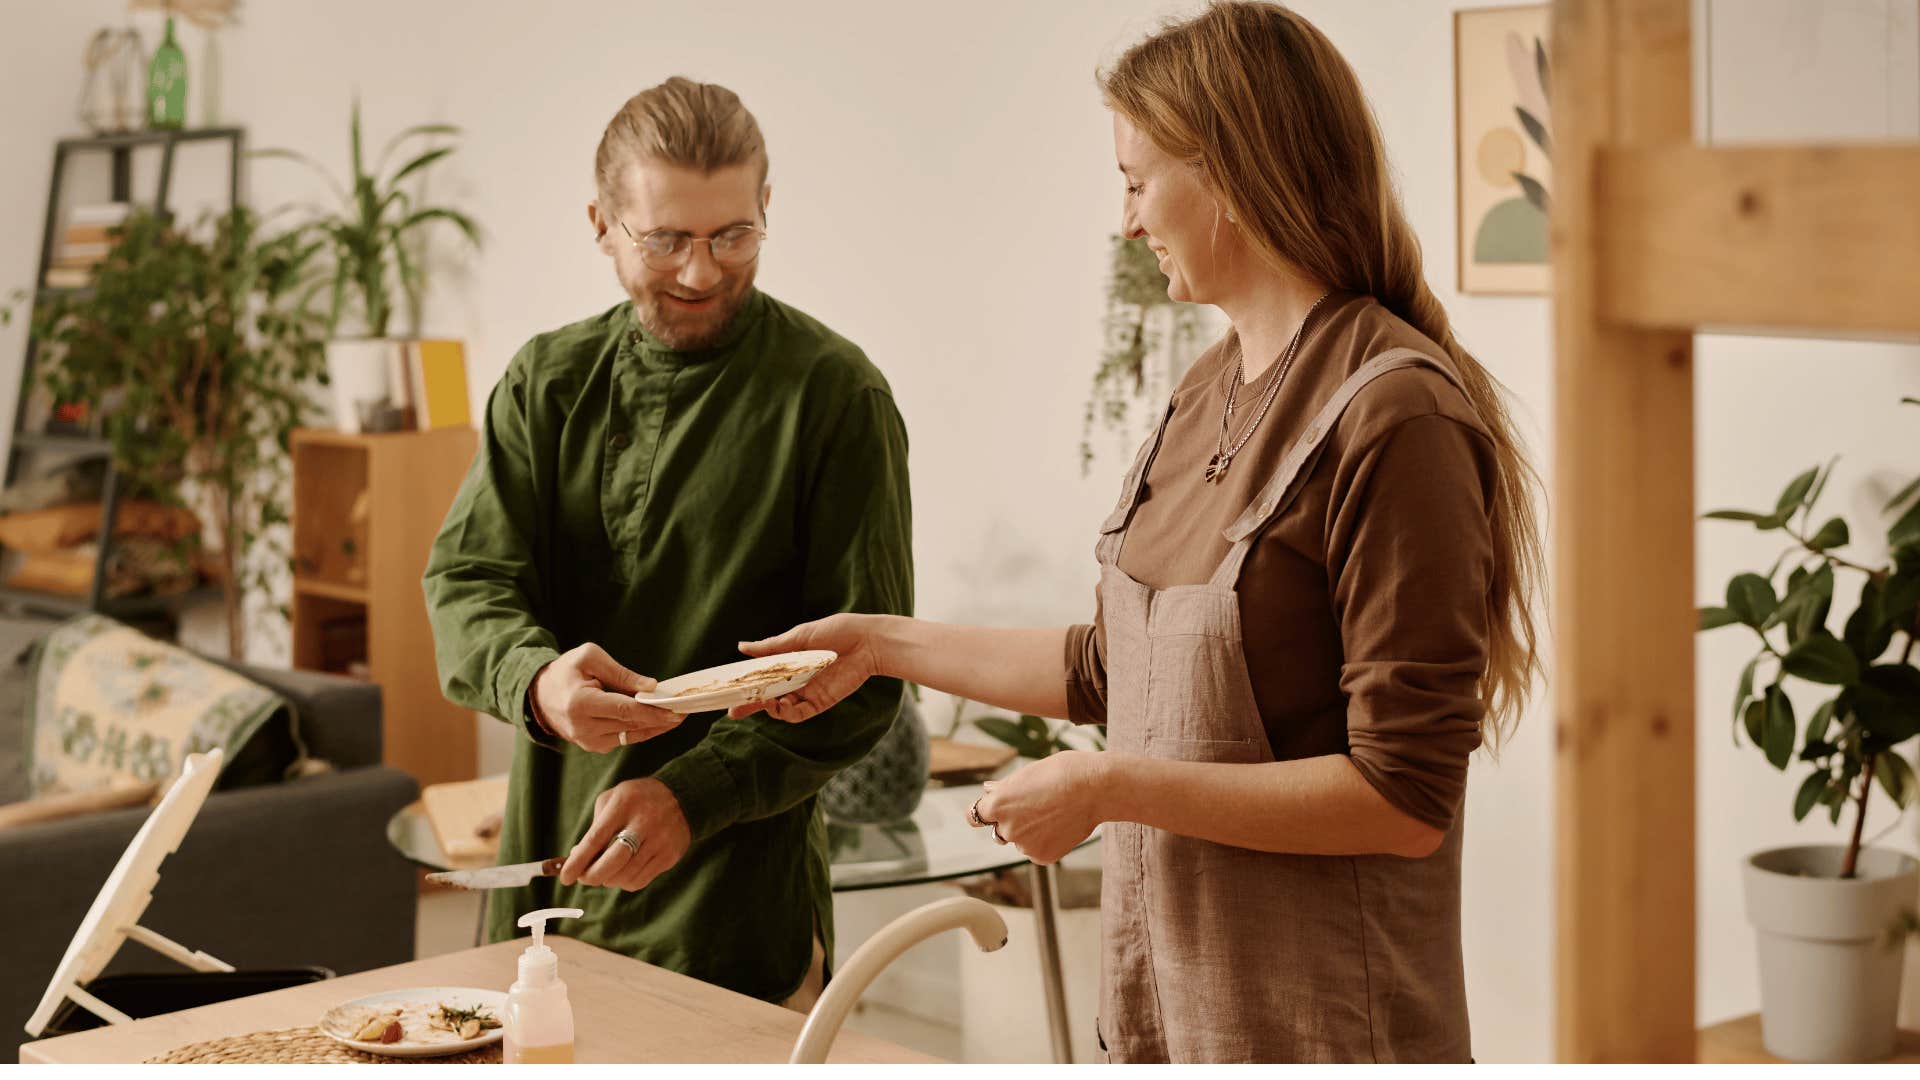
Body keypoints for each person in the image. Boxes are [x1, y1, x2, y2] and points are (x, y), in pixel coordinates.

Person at [730, 2, 1544, 1061]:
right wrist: (881, 644)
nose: (1126, 222)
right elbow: (1119, 671)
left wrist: (1114, 786)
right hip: (1168, 1013)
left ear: (1236, 174)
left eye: (1135, 180)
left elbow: (1402, 799)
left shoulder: (1397, 416)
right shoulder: (1203, 390)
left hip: (1321, 1031)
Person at [423, 76, 913, 1012]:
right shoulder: (546, 383)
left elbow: (868, 677)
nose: (701, 272)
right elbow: (467, 579)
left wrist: (695, 795)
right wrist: (535, 680)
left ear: (767, 208)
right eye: (666, 240)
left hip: (736, 910)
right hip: (546, 878)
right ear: (601, 223)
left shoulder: (836, 398)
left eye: (734, 234)